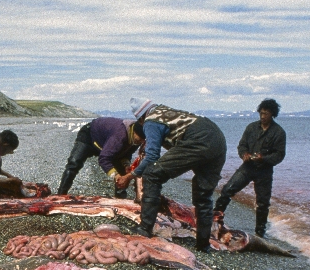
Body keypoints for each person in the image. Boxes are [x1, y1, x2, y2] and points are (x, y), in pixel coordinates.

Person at [117, 98, 227, 252]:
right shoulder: (166, 112)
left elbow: (152, 157)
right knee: (203, 194)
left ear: (141, 118)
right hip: (218, 139)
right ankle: (203, 244)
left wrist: (130, 176)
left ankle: (144, 228)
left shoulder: (150, 120)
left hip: (198, 138)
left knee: (152, 174)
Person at [214, 98, 286, 237]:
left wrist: (264, 158)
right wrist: (244, 154)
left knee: (262, 203)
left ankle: (260, 233)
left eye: (266, 113)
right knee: (227, 190)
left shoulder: (279, 132)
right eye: (261, 113)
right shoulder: (251, 127)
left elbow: (279, 155)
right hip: (247, 167)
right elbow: (242, 145)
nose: (262, 116)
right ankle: (215, 220)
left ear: (272, 114)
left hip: (264, 171)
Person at [56, 117, 145, 198]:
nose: (140, 141)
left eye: (142, 140)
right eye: (139, 138)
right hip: (89, 136)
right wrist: (116, 176)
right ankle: (61, 194)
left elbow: (125, 154)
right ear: (134, 132)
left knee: (122, 170)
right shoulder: (119, 136)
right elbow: (103, 159)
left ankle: (120, 196)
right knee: (74, 163)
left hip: (106, 143)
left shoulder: (135, 140)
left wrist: (126, 165)